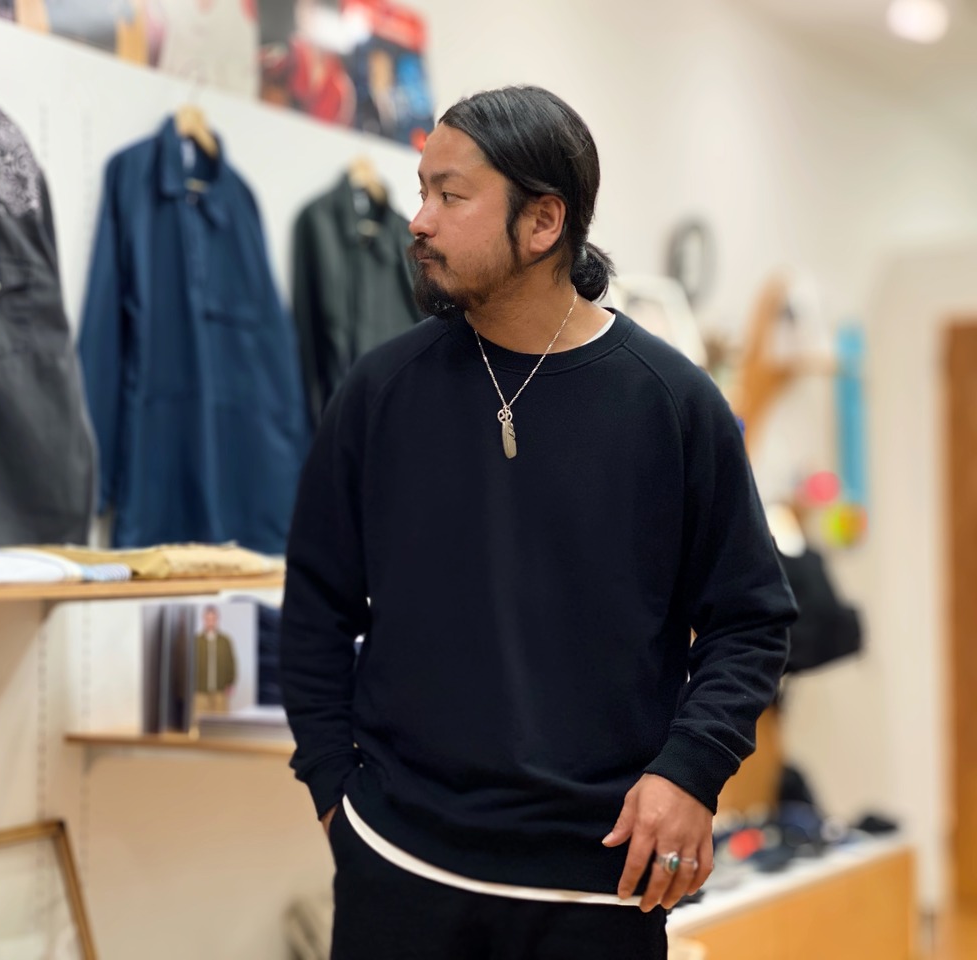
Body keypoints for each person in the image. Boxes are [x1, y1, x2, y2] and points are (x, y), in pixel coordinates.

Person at [280, 85, 796, 959]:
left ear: (543, 222)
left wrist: (690, 772)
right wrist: (336, 794)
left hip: (597, 884)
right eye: (421, 191)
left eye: (450, 196)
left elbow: (751, 621)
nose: (419, 221)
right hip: (398, 871)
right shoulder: (379, 392)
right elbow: (315, 611)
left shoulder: (673, 404)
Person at [194, 605, 237, 715]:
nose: (210, 622)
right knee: (199, 721)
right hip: (200, 692)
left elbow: (231, 662)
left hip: (220, 691)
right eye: (208, 619)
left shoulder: (225, 641)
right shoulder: (196, 641)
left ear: (217, 619)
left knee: (221, 722)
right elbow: (190, 665)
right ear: (204, 619)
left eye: (213, 619)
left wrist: (231, 682)